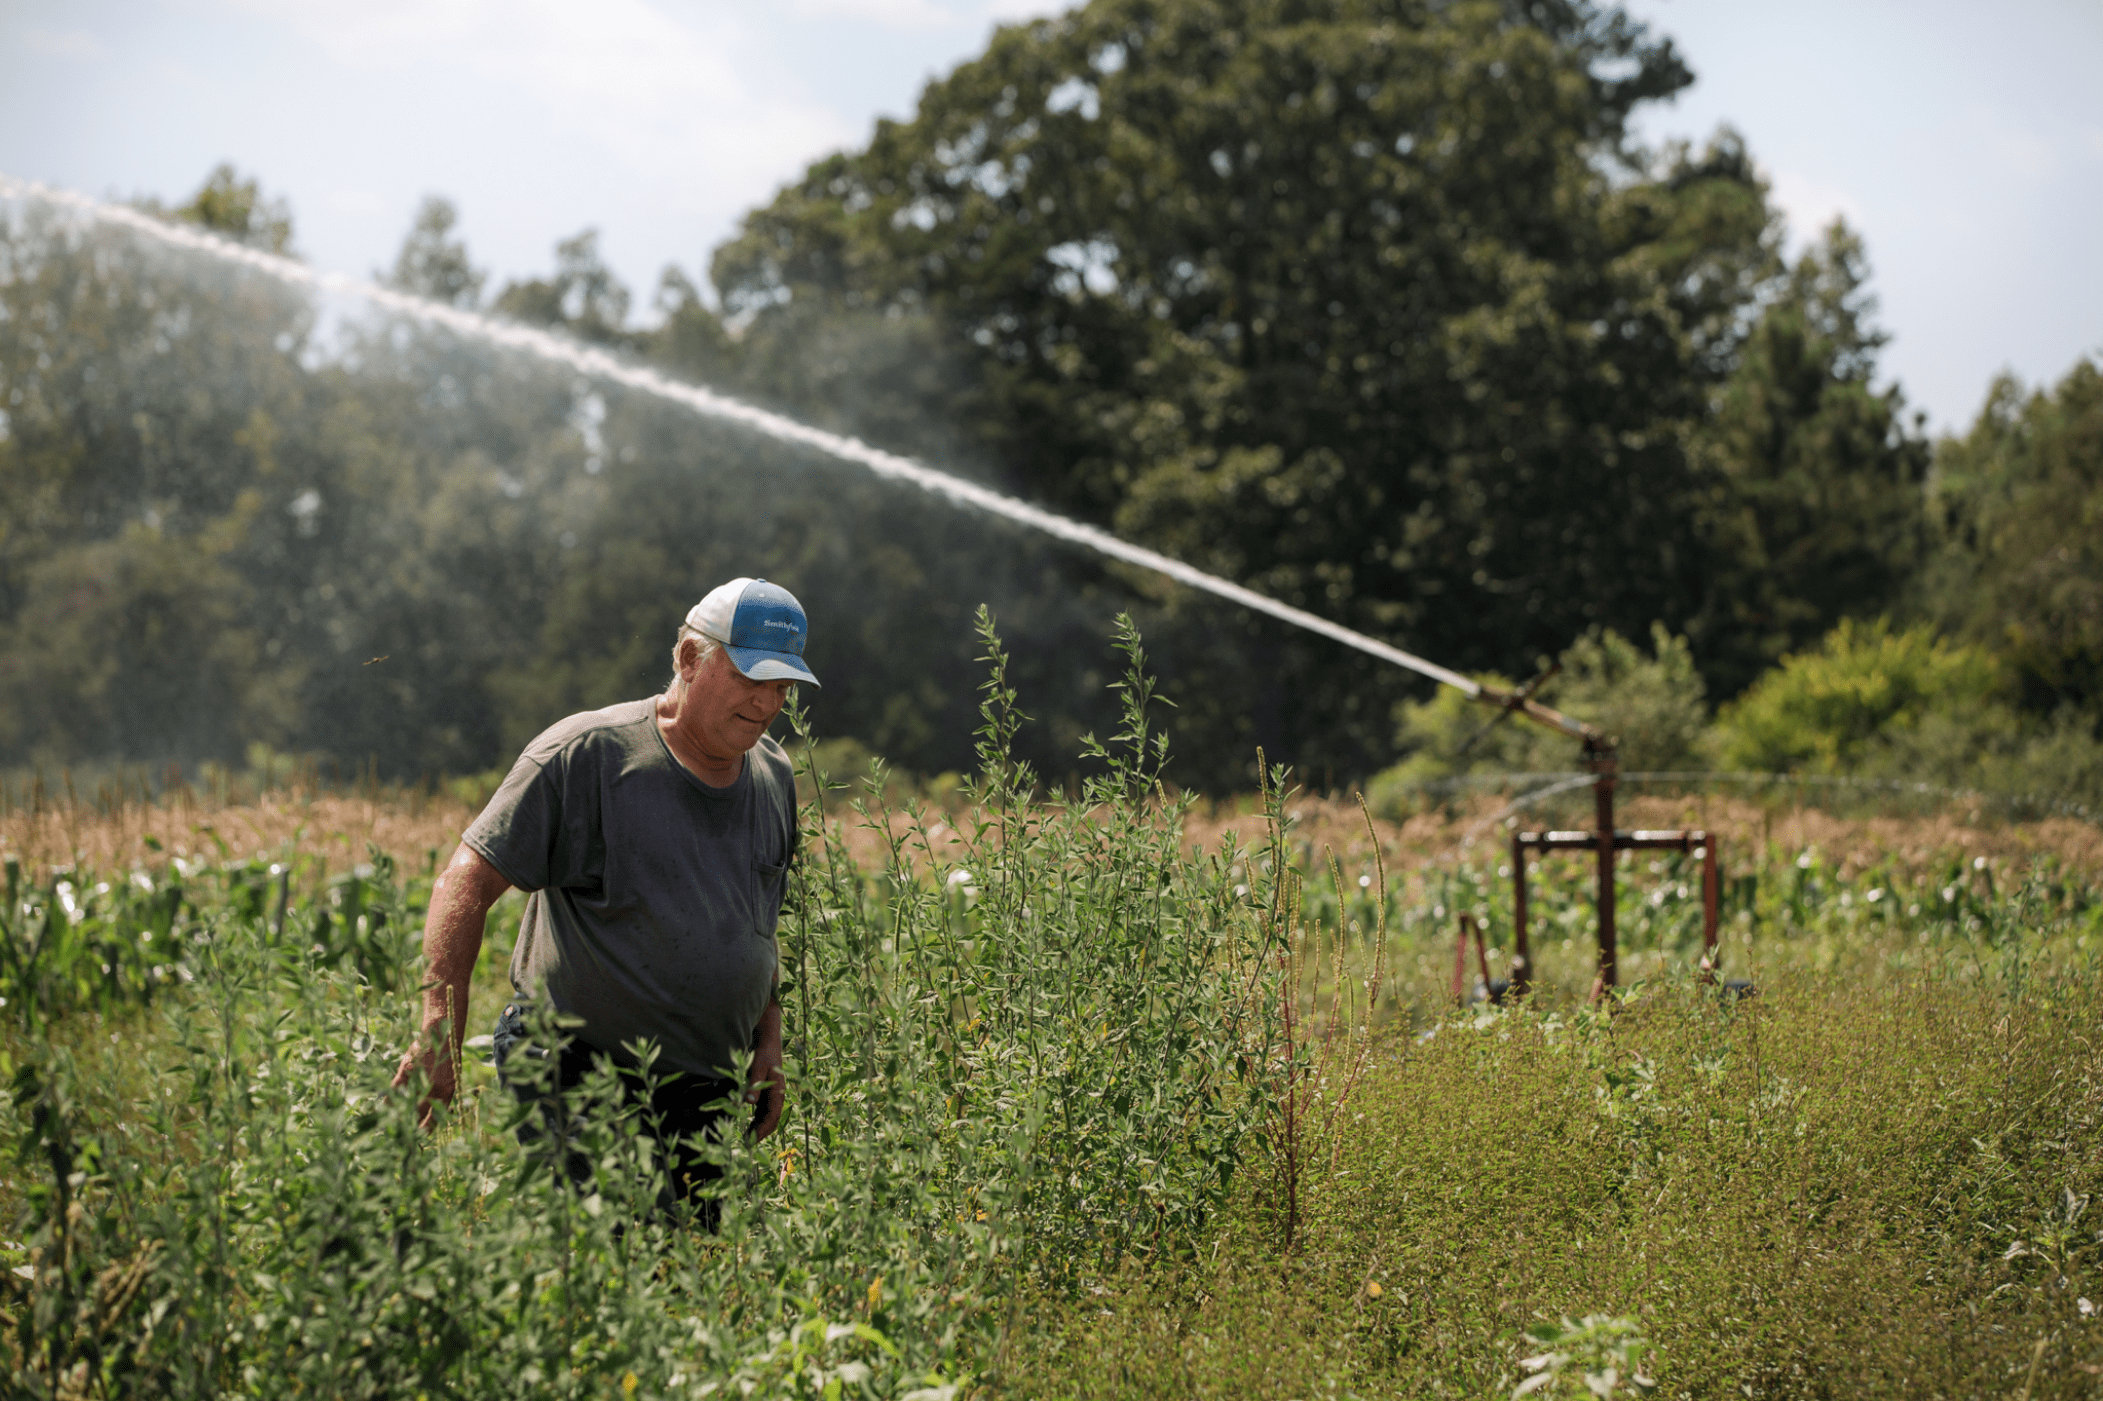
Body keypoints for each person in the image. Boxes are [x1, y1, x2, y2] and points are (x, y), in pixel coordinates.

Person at [391, 576, 817, 1212]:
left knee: (681, 1282)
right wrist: (438, 1027)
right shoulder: (589, 755)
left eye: (782, 686)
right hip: (579, 1072)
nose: (766, 702)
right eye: (749, 678)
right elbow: (466, 881)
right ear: (688, 659)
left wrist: (770, 1039)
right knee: (602, 1270)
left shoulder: (774, 773)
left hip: (707, 1088)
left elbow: (758, 922)